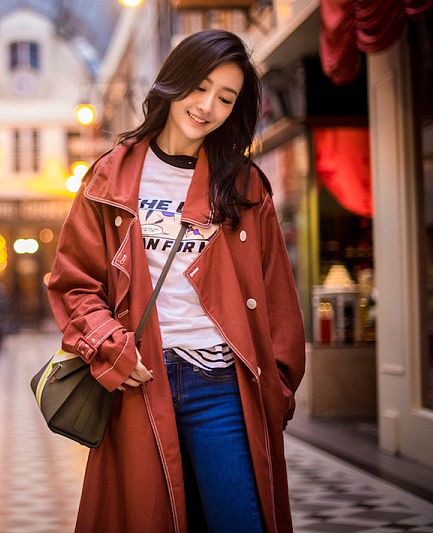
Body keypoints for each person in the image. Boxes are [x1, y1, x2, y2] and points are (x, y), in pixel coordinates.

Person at [47, 30, 305, 533]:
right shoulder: (110, 177)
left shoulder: (244, 186)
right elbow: (75, 283)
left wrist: (276, 386)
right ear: (174, 81)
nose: (207, 106)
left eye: (226, 98)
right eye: (200, 86)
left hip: (221, 384)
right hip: (141, 381)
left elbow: (277, 296)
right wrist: (110, 347)